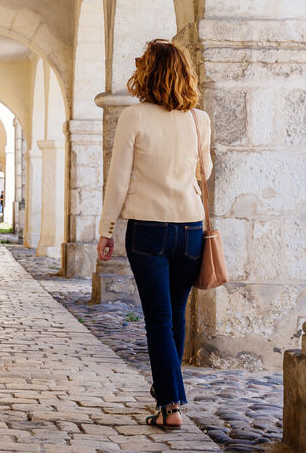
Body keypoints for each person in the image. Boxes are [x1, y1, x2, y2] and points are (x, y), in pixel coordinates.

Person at [96, 39, 212, 430]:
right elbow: (205, 172)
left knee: (159, 320)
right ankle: (169, 394)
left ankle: (170, 405)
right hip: (191, 229)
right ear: (184, 74)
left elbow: (118, 180)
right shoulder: (200, 119)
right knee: (174, 314)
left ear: (147, 73)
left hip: (148, 230)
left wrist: (106, 228)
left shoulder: (135, 117)